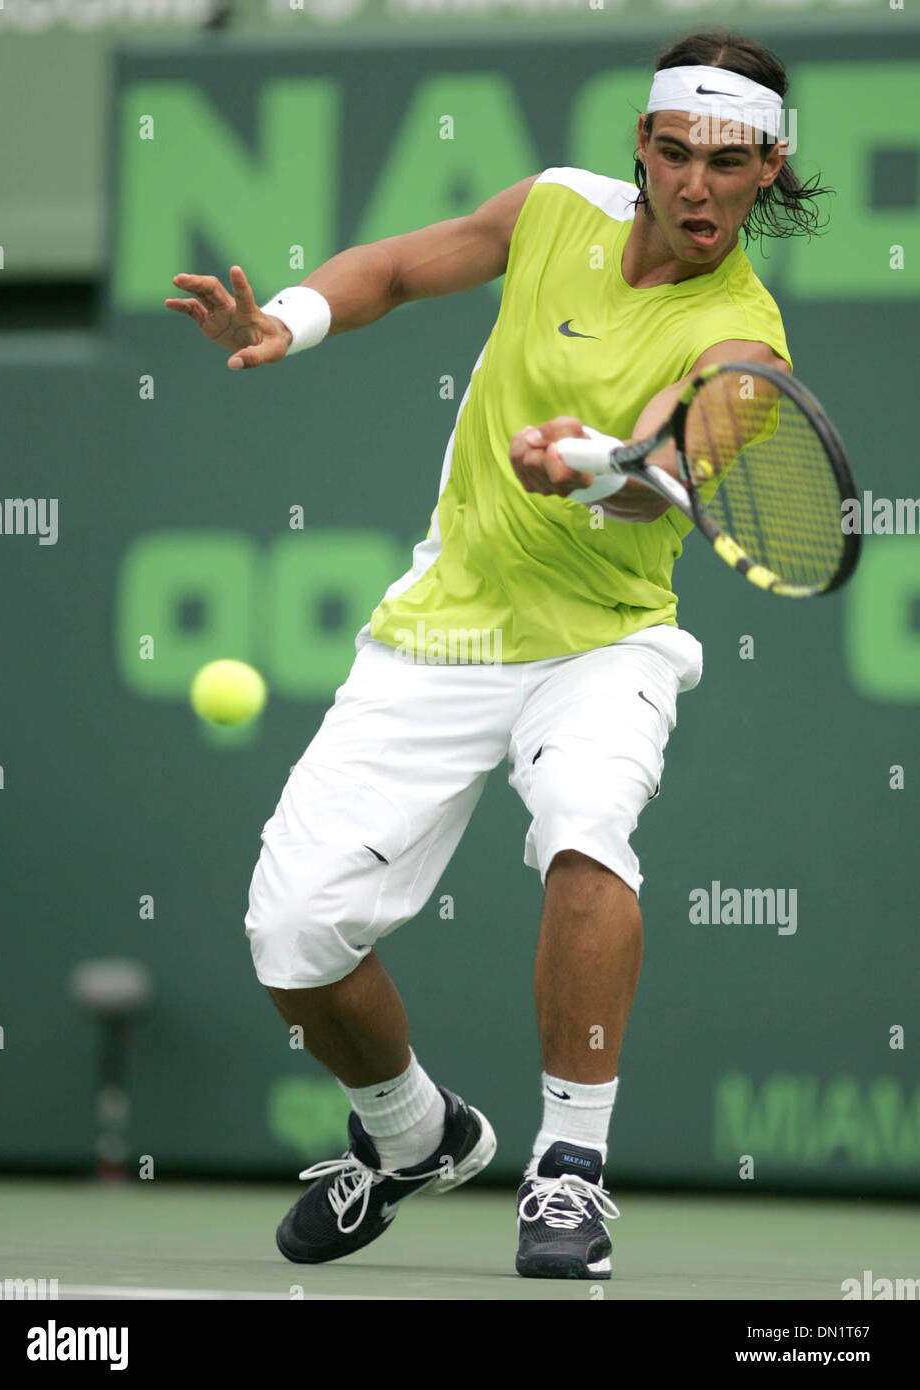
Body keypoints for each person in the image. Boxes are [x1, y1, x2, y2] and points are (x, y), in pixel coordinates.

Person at [165, 29, 828, 1280]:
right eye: (676, 152)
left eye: (728, 163)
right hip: (444, 625)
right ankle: (411, 1135)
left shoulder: (743, 344)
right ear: (641, 144)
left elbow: (663, 477)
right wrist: (291, 317)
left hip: (602, 645)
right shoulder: (552, 210)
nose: (697, 185)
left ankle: (570, 1167)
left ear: (769, 171)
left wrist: (602, 468)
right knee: (294, 937)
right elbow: (408, 268)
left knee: (586, 820)